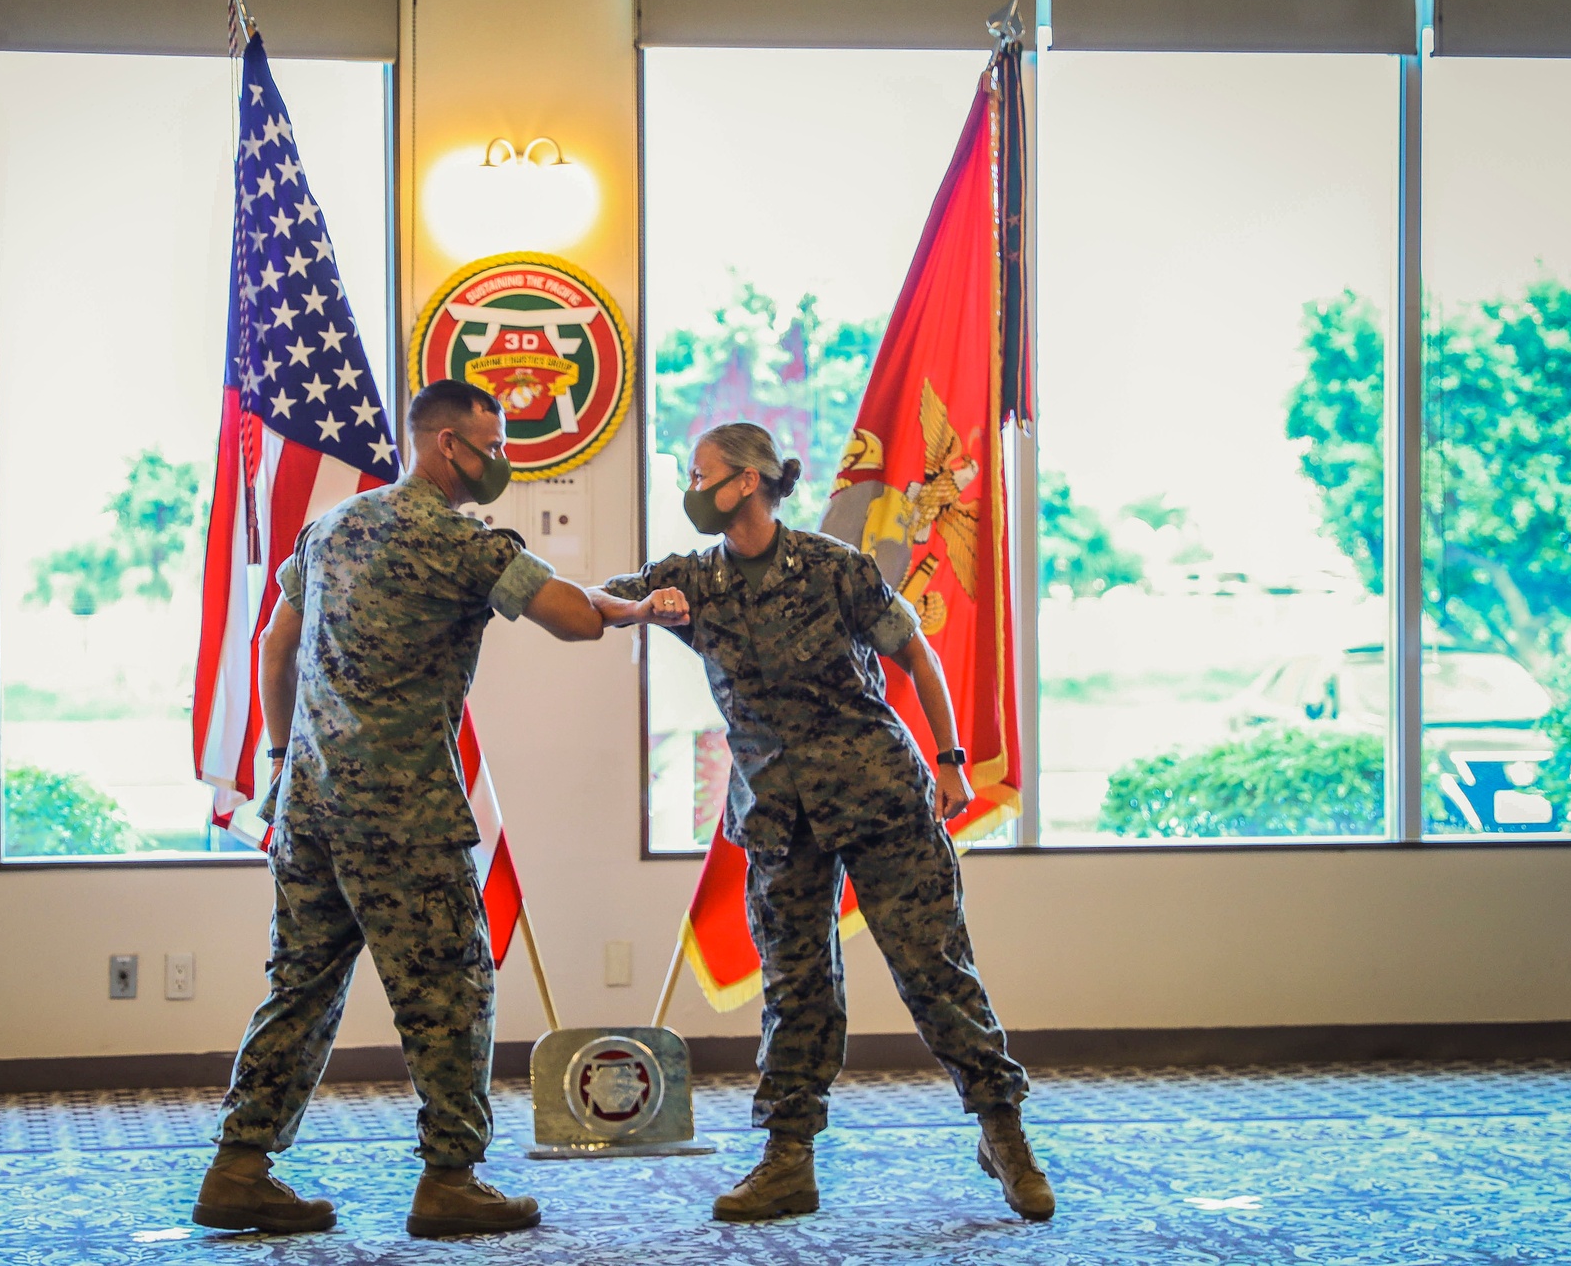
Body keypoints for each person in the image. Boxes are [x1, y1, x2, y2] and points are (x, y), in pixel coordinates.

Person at [588, 421, 1055, 1224]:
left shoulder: (834, 568)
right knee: (796, 988)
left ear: (747, 481)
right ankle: (788, 1159)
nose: (690, 486)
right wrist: (638, 608)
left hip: (880, 797)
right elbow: (599, 602)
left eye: (700, 473)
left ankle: (1002, 1131)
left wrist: (948, 759)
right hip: (778, 816)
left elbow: (918, 655)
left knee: (936, 971)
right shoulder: (690, 577)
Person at [194, 381, 609, 1239]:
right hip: (404, 815)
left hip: (310, 807)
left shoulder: (335, 525)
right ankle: (450, 1179)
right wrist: (627, 603)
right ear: (446, 444)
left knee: (298, 988)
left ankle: (238, 1167)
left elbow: (276, 642)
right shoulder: (457, 538)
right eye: (492, 445)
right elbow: (575, 619)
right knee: (452, 988)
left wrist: (280, 757)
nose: (501, 460)